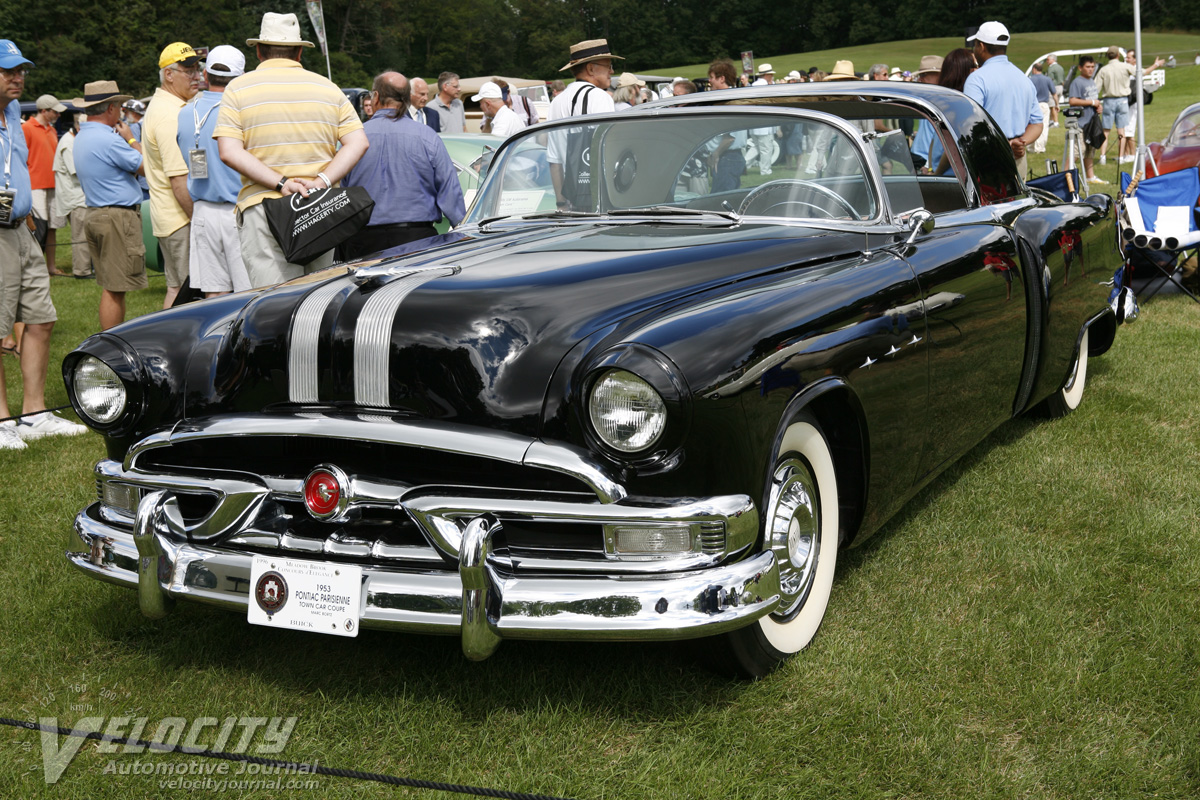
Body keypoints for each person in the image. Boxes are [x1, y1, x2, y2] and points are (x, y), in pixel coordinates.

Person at [214, 12, 368, 288]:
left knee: (272, 300)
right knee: (317, 296)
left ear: (259, 51)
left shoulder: (237, 89)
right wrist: (321, 181)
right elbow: (358, 142)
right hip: (319, 204)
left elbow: (229, 151)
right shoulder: (328, 88)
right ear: (299, 53)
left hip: (263, 205)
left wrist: (281, 182)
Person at [0, 40, 87, 448]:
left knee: (41, 318)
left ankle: (34, 415)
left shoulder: (12, 111)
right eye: (8, 71)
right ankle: (2, 420)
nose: (18, 78)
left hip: (20, 226)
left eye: (21, 70)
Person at [339, 71, 465, 261]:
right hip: (417, 240)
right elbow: (449, 190)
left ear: (376, 97)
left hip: (363, 242)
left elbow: (340, 191)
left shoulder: (353, 138)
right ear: (407, 99)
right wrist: (462, 230)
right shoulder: (427, 136)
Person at [176, 45, 250, 298]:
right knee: (248, 294)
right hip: (240, 210)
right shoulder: (242, 111)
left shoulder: (185, 113)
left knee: (214, 295)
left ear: (205, 75)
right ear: (241, 77)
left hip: (203, 211)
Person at [74, 80, 149, 330]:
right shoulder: (109, 140)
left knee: (111, 285)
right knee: (116, 289)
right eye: (119, 106)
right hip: (117, 217)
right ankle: (110, 343)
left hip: (97, 213)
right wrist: (131, 139)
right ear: (110, 108)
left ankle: (109, 339)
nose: (121, 112)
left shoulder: (83, 135)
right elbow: (145, 166)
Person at [144, 42, 203, 309]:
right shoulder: (171, 115)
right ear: (169, 74)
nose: (196, 76)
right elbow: (179, 179)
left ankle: (163, 335)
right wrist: (200, 220)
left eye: (197, 69)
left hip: (169, 217)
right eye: (188, 71)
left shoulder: (164, 106)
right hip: (181, 219)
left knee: (176, 288)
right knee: (192, 296)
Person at [963, 21, 1042, 180]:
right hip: (1018, 159)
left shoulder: (977, 79)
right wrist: (1019, 143)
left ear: (981, 46)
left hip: (988, 159)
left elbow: (970, 124)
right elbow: (1037, 123)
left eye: (975, 45)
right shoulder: (1023, 78)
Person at [548, 39, 620, 210]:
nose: (611, 71)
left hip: (571, 199)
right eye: (608, 66)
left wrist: (561, 204)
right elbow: (610, 151)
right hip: (599, 199)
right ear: (590, 69)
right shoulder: (600, 97)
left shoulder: (557, 102)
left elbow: (554, 160)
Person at [22, 93, 67, 275]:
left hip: (53, 184)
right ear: (44, 110)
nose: (58, 115)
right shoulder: (26, 128)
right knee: (38, 228)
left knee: (52, 228)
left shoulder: (52, 130)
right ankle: (34, 269)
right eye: (55, 112)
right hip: (35, 185)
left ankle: (50, 267)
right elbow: (22, 159)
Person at [52, 113, 92, 278]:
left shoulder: (74, 140)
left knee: (86, 233)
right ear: (79, 128)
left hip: (79, 195)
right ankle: (82, 271)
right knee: (81, 235)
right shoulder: (68, 143)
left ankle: (88, 267)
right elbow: (76, 171)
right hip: (75, 197)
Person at [1096, 47, 1135, 167]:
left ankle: (1102, 156)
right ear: (1118, 55)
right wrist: (1154, 66)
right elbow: (1139, 73)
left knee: (1106, 131)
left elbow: (1096, 87)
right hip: (1122, 100)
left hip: (1108, 100)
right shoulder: (1125, 66)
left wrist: (1095, 102)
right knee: (1121, 130)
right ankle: (1121, 157)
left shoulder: (1103, 69)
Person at [1068, 55, 1104, 184]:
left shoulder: (1091, 81)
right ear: (1080, 68)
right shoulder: (1077, 82)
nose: (1091, 69)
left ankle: (1090, 176)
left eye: (1093, 67)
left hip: (1091, 123)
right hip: (1080, 123)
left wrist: (1098, 107)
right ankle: (1065, 175)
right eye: (1088, 67)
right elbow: (1072, 101)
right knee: (1077, 152)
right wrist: (1092, 102)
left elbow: (1094, 99)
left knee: (1090, 151)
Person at [910, 55, 945, 172]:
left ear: (939, 75)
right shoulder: (928, 98)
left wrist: (928, 165)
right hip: (918, 158)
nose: (920, 79)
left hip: (926, 162)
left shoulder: (943, 101)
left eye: (924, 75)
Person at [1028, 61, 1055, 154]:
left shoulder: (1030, 79)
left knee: (1031, 126)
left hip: (1033, 105)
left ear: (1034, 69)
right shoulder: (1047, 79)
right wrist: (1057, 104)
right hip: (1044, 104)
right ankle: (1040, 147)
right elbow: (1054, 93)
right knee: (1043, 126)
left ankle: (1031, 146)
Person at [1045, 54, 1065, 126]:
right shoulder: (1060, 67)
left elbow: (1050, 79)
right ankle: (1052, 121)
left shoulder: (1051, 68)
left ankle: (1056, 122)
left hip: (1054, 87)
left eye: (1048, 60)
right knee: (1056, 105)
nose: (1047, 61)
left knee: (1052, 106)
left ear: (1053, 60)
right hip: (1060, 87)